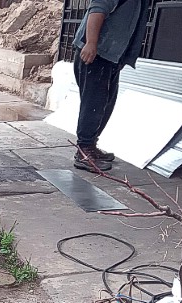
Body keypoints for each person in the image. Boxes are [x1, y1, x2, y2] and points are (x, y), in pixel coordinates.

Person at [72, 0, 149, 173]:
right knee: (94, 105)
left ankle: (90, 145)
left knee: (105, 105)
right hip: (96, 54)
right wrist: (91, 43)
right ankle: (84, 151)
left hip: (110, 57)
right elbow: (97, 10)